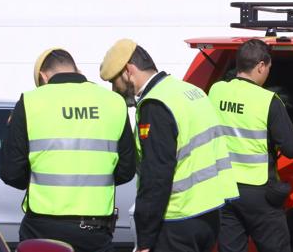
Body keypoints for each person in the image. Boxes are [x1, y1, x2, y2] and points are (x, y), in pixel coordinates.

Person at [99, 39, 238, 252]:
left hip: (177, 219)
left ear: (128, 70)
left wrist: (145, 238)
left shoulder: (156, 104)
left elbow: (156, 176)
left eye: (114, 81)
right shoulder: (190, 91)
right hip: (209, 214)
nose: (114, 89)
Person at [0, 48, 136, 252]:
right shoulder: (113, 103)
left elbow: (10, 172)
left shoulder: (30, 102)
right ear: (77, 69)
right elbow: (126, 170)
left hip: (43, 231)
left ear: (43, 77)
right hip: (95, 232)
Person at [208, 38, 293, 252]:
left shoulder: (216, 91)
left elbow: (237, 125)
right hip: (258, 192)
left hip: (224, 188)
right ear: (260, 66)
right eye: (268, 68)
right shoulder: (268, 100)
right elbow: (291, 149)